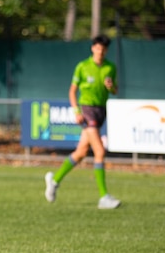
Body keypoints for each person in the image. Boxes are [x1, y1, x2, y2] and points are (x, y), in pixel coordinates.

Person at [44, 34, 121, 209]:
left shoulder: (110, 67)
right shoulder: (83, 67)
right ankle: (104, 197)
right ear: (93, 48)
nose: (101, 52)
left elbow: (115, 90)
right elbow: (72, 92)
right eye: (98, 48)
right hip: (87, 110)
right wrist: (76, 111)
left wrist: (112, 87)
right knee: (99, 151)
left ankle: (54, 181)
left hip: (101, 111)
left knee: (80, 153)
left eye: (104, 49)